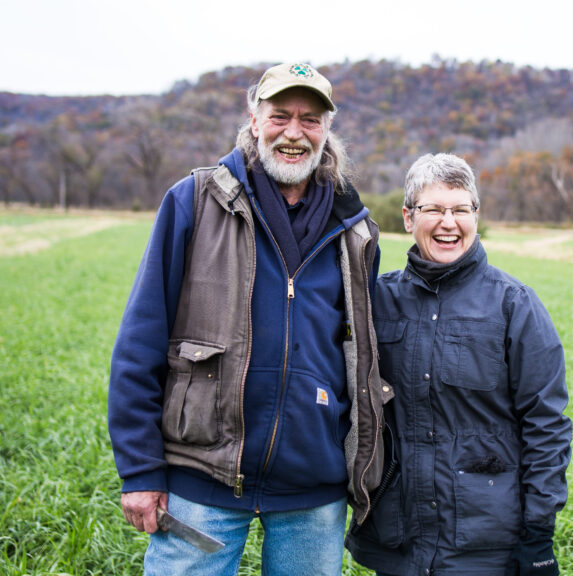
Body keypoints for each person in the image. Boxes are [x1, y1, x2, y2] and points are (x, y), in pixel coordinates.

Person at [107, 62, 389, 575]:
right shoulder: (194, 201)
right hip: (202, 478)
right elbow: (140, 342)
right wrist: (141, 471)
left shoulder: (355, 230)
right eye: (281, 115)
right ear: (254, 118)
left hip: (313, 490)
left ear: (328, 128)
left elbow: (364, 359)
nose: (294, 133)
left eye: (310, 120)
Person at [345, 153, 572, 575]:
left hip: (483, 543)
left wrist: (539, 532)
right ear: (409, 218)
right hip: (399, 538)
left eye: (460, 209)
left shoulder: (513, 305)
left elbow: (547, 424)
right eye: (433, 209)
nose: (449, 222)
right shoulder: (377, 301)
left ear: (476, 216)